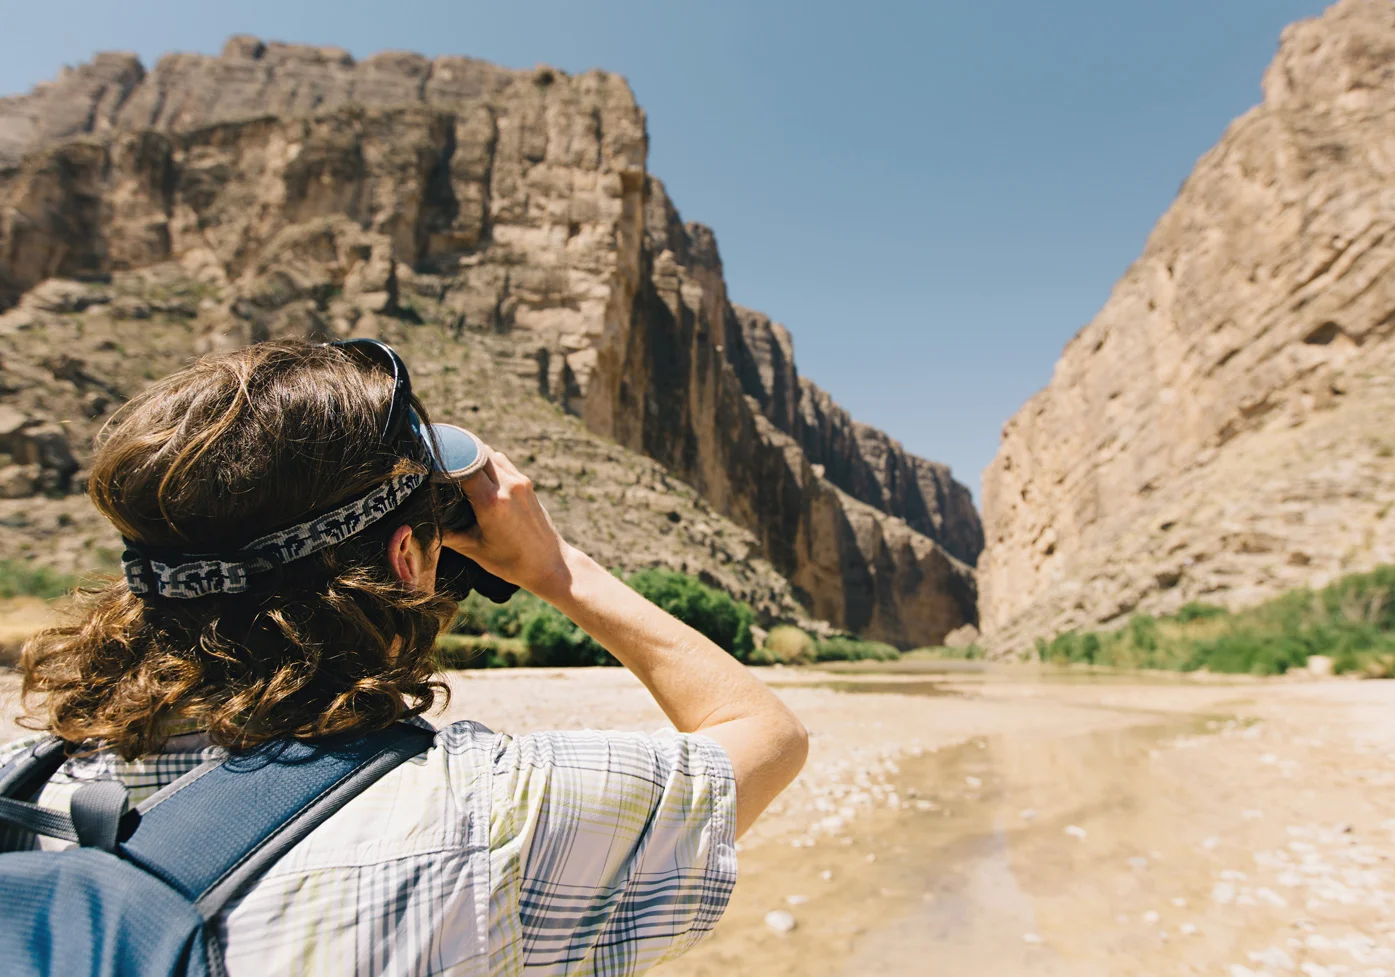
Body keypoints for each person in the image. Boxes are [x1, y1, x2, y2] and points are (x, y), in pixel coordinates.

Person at [0, 340, 808, 975]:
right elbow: (763, 732)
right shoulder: (491, 822)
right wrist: (559, 570)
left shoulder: (20, 784)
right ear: (405, 560)